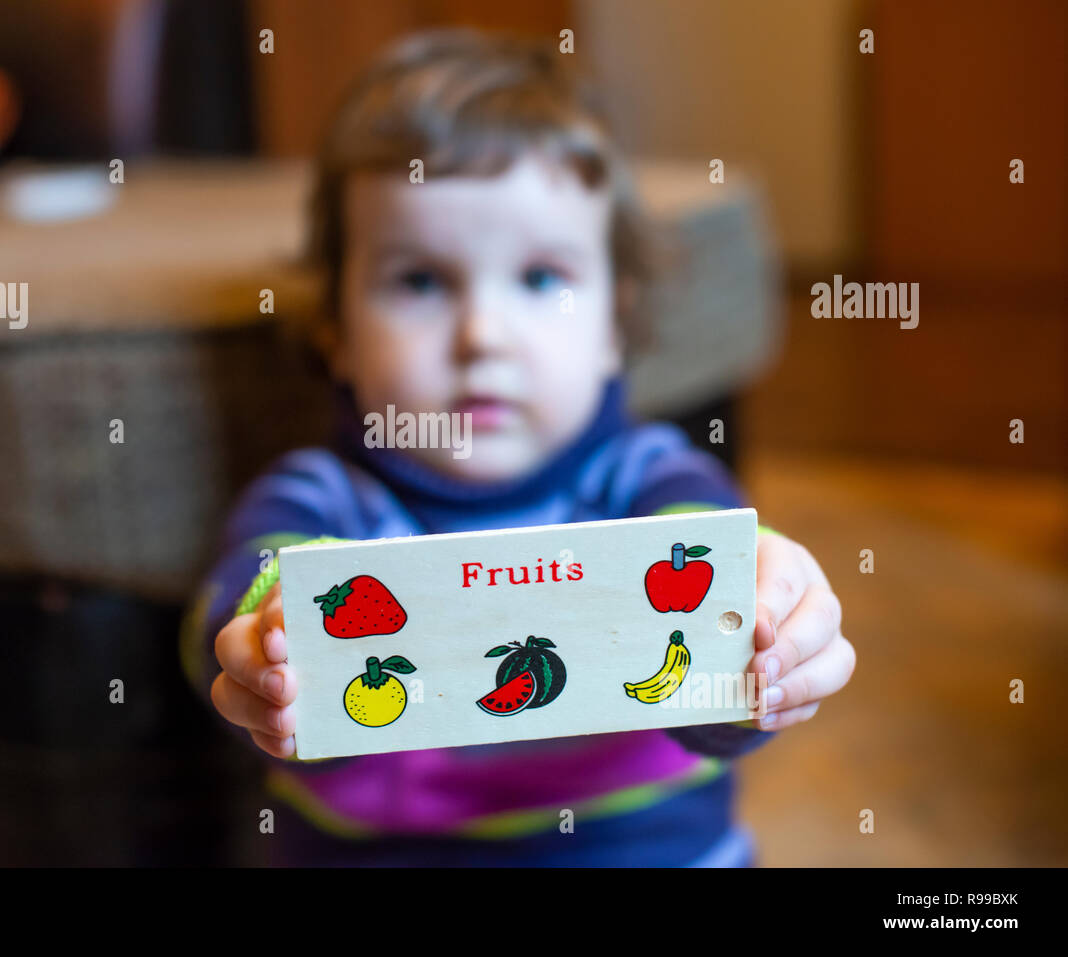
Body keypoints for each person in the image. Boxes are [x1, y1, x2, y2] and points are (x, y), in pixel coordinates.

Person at [181, 28, 855, 866]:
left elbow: (715, 624)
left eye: (540, 277)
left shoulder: (650, 477)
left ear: (615, 325)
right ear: (338, 336)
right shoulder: (321, 500)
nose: (482, 334)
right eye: (419, 280)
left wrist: (769, 632)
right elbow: (248, 591)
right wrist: (265, 652)